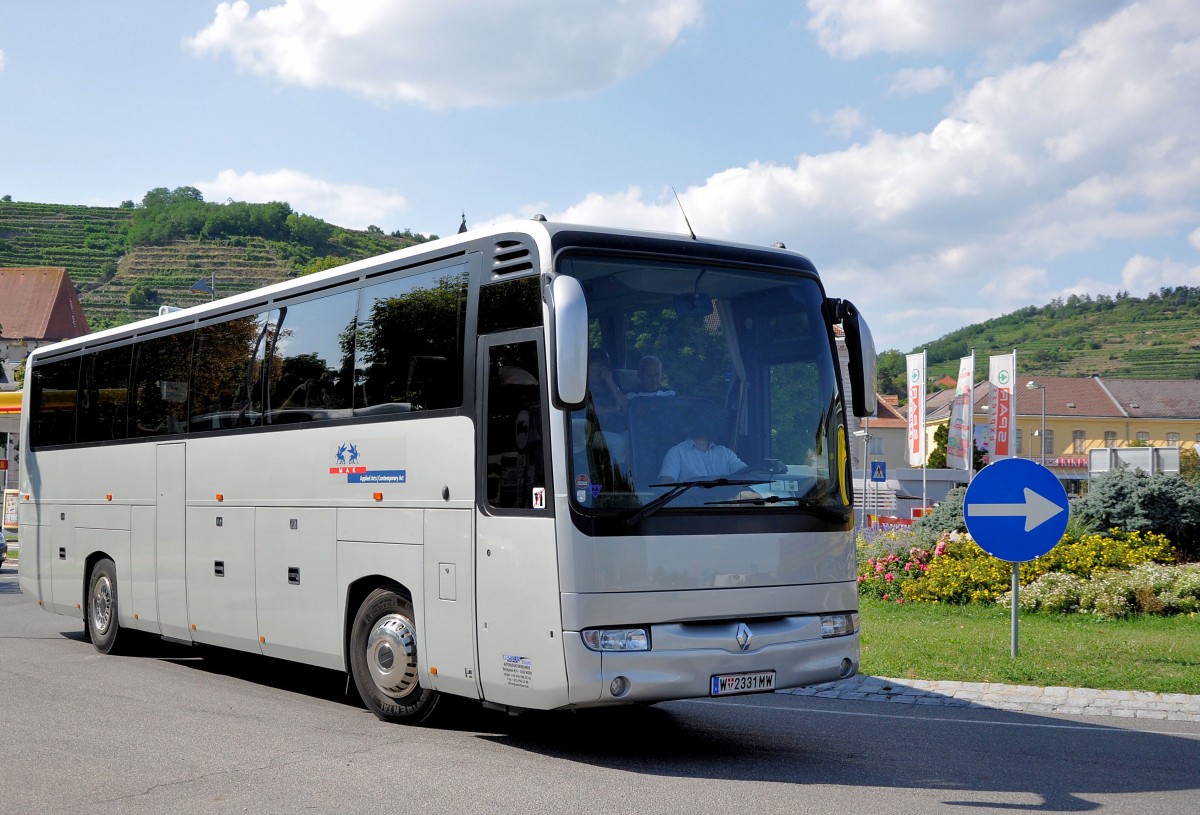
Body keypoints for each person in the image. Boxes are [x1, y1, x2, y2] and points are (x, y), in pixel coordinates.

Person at [658, 417, 748, 483]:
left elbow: (746, 474)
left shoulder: (725, 453)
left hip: (725, 505)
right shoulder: (676, 452)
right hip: (691, 506)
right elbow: (666, 484)